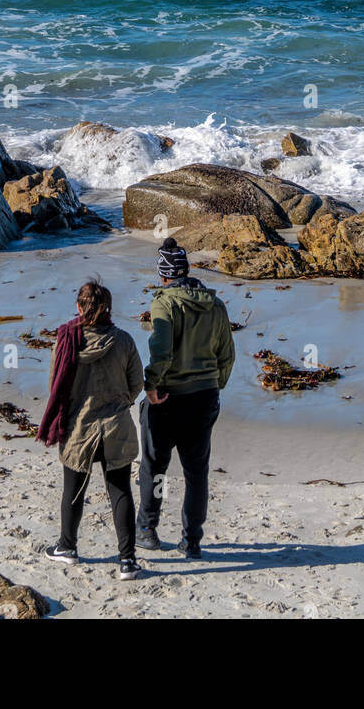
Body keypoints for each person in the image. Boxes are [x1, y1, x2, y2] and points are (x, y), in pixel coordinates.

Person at [38, 279, 143, 580]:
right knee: (120, 490)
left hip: (78, 426)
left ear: (79, 307)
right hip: (116, 424)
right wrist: (120, 401)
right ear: (108, 308)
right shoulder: (123, 340)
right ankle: (128, 561)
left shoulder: (65, 339)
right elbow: (136, 382)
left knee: (73, 489)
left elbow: (54, 387)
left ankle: (67, 548)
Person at [137, 239, 235, 559]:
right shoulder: (215, 305)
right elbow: (227, 356)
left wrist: (152, 386)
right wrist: (213, 385)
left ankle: (148, 529)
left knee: (156, 468)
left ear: (164, 275)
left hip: (168, 399)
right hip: (205, 399)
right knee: (196, 474)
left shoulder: (163, 304)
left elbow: (161, 353)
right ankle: (192, 540)